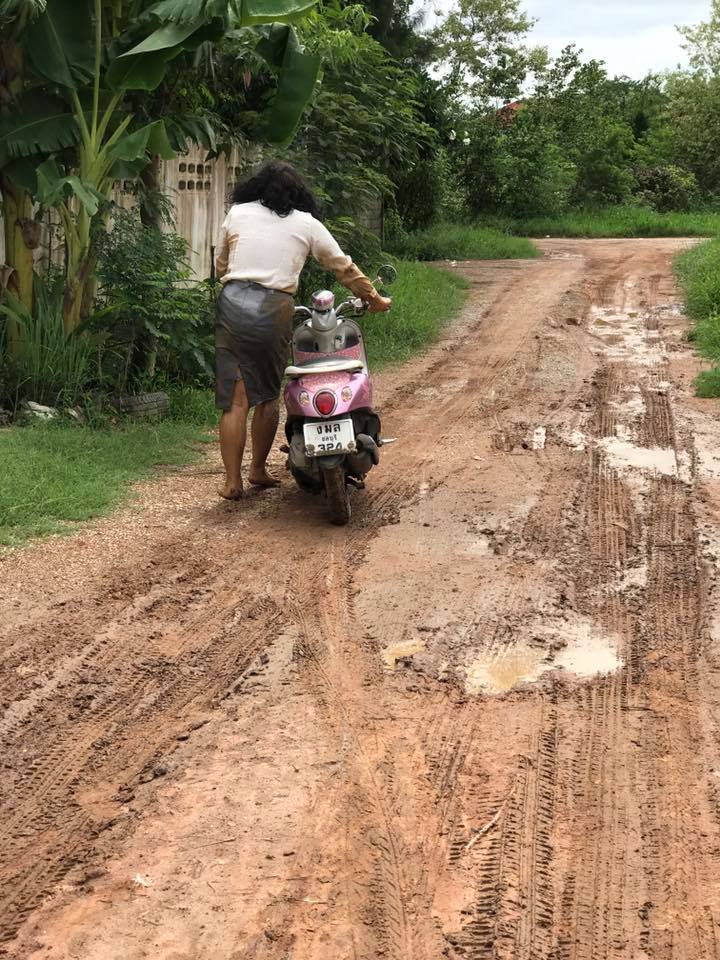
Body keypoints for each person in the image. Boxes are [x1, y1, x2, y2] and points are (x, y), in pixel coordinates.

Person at [213, 161, 392, 501]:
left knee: (236, 400)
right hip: (272, 306)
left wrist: (234, 280)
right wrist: (374, 298)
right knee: (267, 397)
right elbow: (343, 267)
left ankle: (232, 482)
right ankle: (257, 470)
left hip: (232, 302)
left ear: (258, 187)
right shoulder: (306, 222)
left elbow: (221, 262)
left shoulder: (238, 212)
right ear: (298, 194)